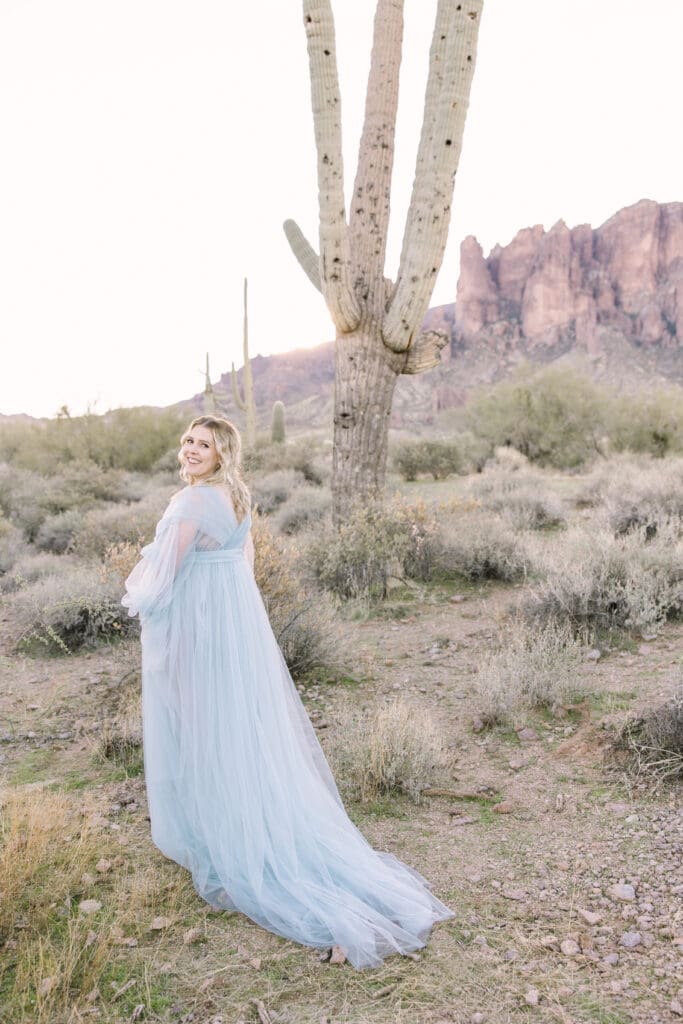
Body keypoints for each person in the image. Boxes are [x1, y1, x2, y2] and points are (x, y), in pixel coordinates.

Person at [121, 415, 453, 969]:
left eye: (204, 444)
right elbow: (243, 567)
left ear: (223, 453)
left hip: (200, 632)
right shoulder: (237, 499)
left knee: (203, 732)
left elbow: (165, 576)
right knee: (236, 731)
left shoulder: (190, 502)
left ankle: (228, 842)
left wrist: (136, 598)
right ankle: (245, 826)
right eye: (188, 441)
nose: (191, 450)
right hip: (232, 630)